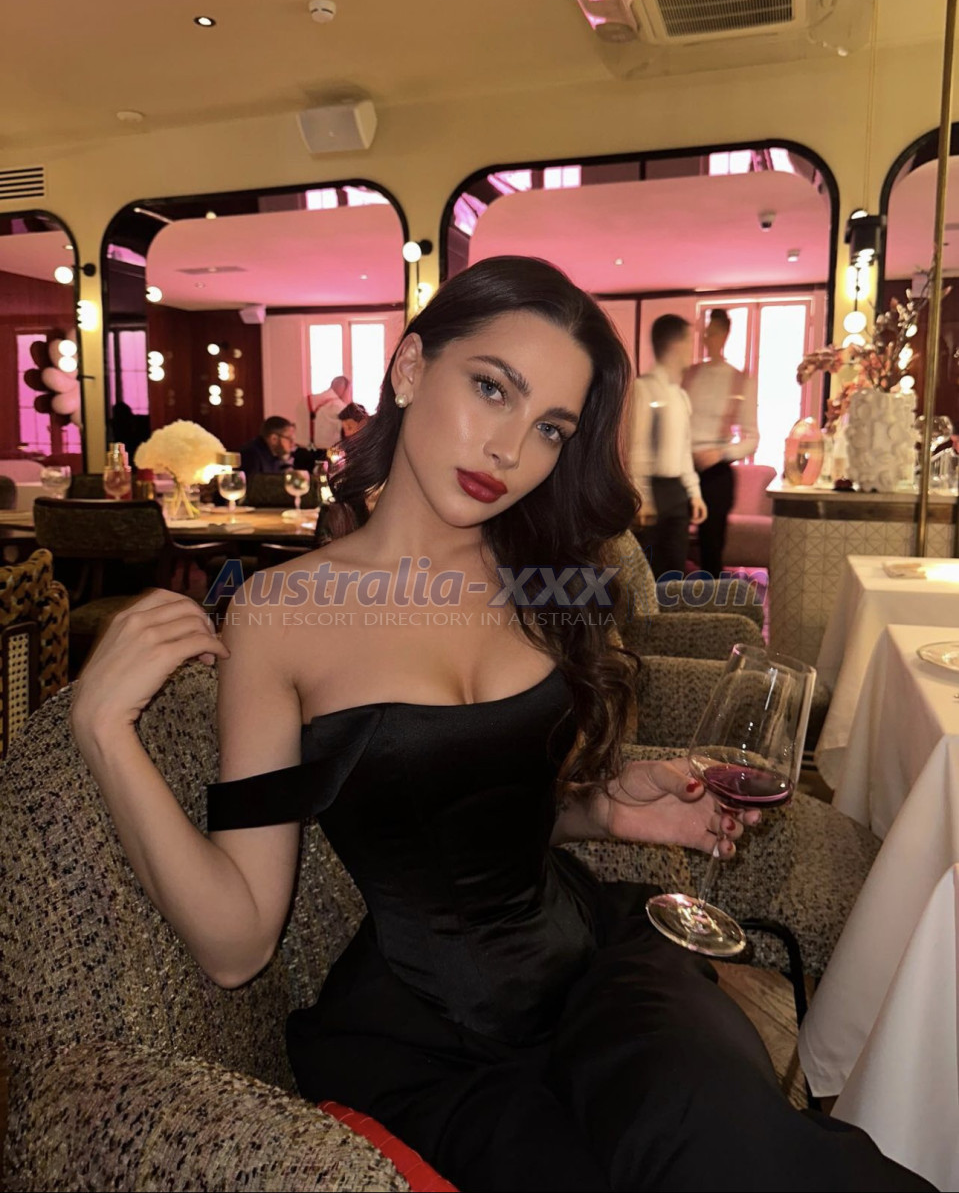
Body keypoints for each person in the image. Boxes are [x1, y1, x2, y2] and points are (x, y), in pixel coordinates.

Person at [70, 257, 929, 1193]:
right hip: (431, 1040)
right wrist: (104, 730)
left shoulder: (547, 584)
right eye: (492, 388)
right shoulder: (282, 615)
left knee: (732, 1147)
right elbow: (237, 944)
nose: (510, 450)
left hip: (597, 966)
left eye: (550, 427)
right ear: (409, 369)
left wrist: (605, 808)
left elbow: (480, 802)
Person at [629, 315, 707, 580]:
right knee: (646, 573)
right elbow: (636, 449)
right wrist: (642, 498)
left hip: (676, 492)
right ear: (675, 345)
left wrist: (694, 493)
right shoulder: (643, 389)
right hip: (653, 489)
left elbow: (684, 451)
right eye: (689, 341)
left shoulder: (680, 395)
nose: (691, 349)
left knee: (674, 569)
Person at [684, 309, 760, 578]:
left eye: (714, 333)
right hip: (681, 467)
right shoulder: (688, 374)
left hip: (716, 473)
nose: (708, 338)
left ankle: (709, 597)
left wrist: (721, 453)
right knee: (671, 542)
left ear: (726, 335)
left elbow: (752, 438)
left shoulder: (740, 380)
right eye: (706, 333)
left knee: (711, 546)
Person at [307, 375, 351, 449]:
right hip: (332, 449)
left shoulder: (311, 400)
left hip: (311, 448)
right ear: (344, 389)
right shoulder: (340, 406)